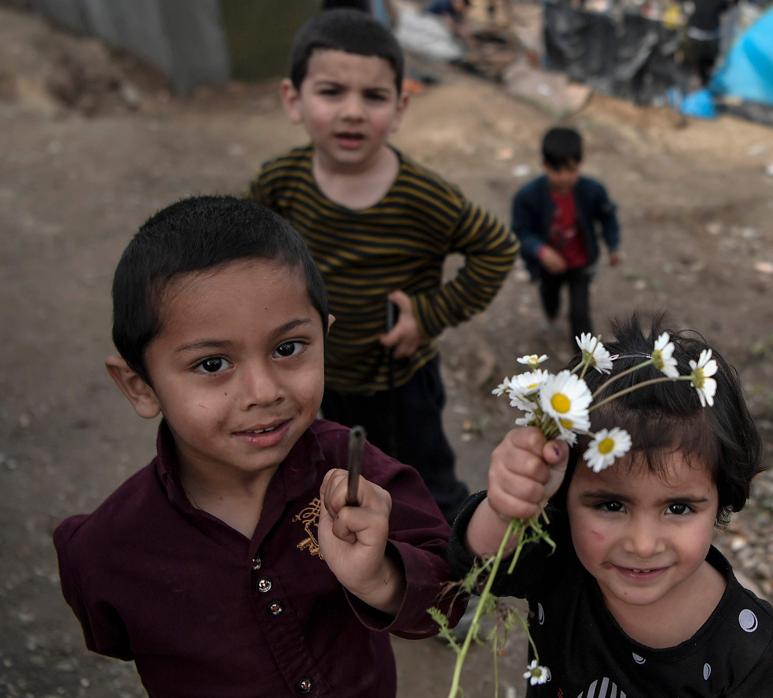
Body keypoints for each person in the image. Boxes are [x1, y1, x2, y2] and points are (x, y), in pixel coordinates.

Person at [54, 196, 462, 696]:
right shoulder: (107, 551)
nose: (264, 392)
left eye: (288, 349)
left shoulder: (361, 480)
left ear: (324, 337)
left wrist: (380, 577)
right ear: (140, 385)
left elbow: (451, 598)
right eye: (211, 364)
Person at [249, 9, 519, 522]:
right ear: (293, 99)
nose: (353, 111)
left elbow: (496, 248)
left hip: (403, 381)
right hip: (321, 375)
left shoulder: (425, 196)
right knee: (346, 470)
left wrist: (430, 315)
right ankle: (373, 561)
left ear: (399, 108)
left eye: (373, 97)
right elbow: (247, 251)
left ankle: (451, 566)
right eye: (331, 92)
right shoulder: (280, 183)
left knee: (424, 480)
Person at [449, 317, 773, 696]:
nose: (643, 545)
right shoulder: (559, 560)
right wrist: (506, 506)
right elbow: (476, 567)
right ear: (563, 493)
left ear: (723, 497)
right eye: (611, 505)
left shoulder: (745, 644)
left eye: (677, 509)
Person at [512, 127, 620, 351]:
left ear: (580, 164)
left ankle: (584, 361)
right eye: (557, 171)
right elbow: (520, 231)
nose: (564, 177)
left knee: (580, 313)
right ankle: (551, 317)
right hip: (548, 266)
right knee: (549, 296)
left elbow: (608, 217)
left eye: (571, 170)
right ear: (544, 166)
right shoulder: (528, 197)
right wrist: (540, 250)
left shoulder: (592, 191)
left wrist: (613, 245)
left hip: (581, 263)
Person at [684, 0, 734, 87]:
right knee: (709, 65)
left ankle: (698, 80)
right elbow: (726, 8)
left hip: (696, 34)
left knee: (697, 64)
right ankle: (706, 83)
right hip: (711, 35)